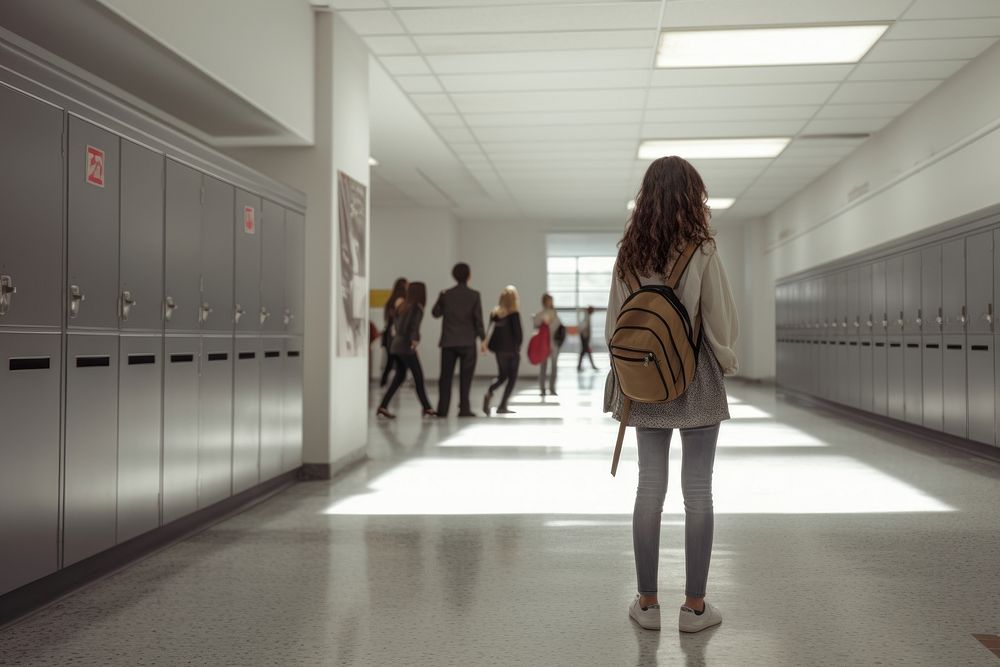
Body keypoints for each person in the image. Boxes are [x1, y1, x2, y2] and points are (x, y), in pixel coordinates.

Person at [605, 156, 739, 634]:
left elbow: (614, 325)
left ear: (645, 199)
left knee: (649, 489)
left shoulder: (628, 255)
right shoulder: (702, 249)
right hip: (696, 373)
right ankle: (695, 609)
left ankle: (646, 604)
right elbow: (719, 317)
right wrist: (726, 361)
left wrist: (625, 378)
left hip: (644, 380)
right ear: (692, 197)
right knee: (698, 493)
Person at [432, 263, 486, 417]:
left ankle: (442, 410)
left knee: (445, 378)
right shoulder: (475, 295)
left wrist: (440, 298)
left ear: (454, 276)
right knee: (466, 378)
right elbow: (478, 320)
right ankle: (464, 409)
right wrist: (483, 340)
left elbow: (435, 313)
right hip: (468, 342)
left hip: (448, 342)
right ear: (469, 276)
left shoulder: (446, 294)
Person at [376, 282, 437, 419]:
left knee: (399, 377)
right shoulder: (417, 307)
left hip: (396, 345)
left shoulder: (402, 306)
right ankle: (427, 408)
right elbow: (413, 325)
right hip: (406, 346)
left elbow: (397, 326)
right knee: (418, 377)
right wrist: (414, 340)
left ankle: (383, 406)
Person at [482, 285, 523, 416]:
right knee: (512, 378)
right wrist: (518, 346)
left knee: (502, 376)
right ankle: (502, 405)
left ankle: (490, 391)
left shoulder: (495, 314)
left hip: (499, 351)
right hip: (512, 351)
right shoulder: (514, 314)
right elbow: (518, 334)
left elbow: (489, 331)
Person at [532, 294, 563, 397]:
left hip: (553, 344)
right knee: (543, 367)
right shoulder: (540, 314)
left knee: (554, 367)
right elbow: (535, 324)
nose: (550, 303)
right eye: (548, 301)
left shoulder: (555, 314)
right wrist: (542, 321)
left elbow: (557, 326)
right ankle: (542, 389)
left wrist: (549, 323)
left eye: (551, 301)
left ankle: (552, 388)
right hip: (543, 344)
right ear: (544, 302)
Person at [380, 277, 408, 387]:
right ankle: (392, 382)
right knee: (400, 362)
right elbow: (401, 319)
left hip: (389, 334)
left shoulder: (390, 301)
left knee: (391, 361)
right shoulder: (401, 301)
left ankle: (385, 382)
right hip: (396, 335)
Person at [577, 305, 598, 372]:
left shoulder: (587, 316)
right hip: (585, 336)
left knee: (584, 351)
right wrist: (585, 335)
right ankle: (592, 366)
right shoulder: (586, 316)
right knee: (587, 351)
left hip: (585, 336)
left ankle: (580, 366)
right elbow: (584, 326)